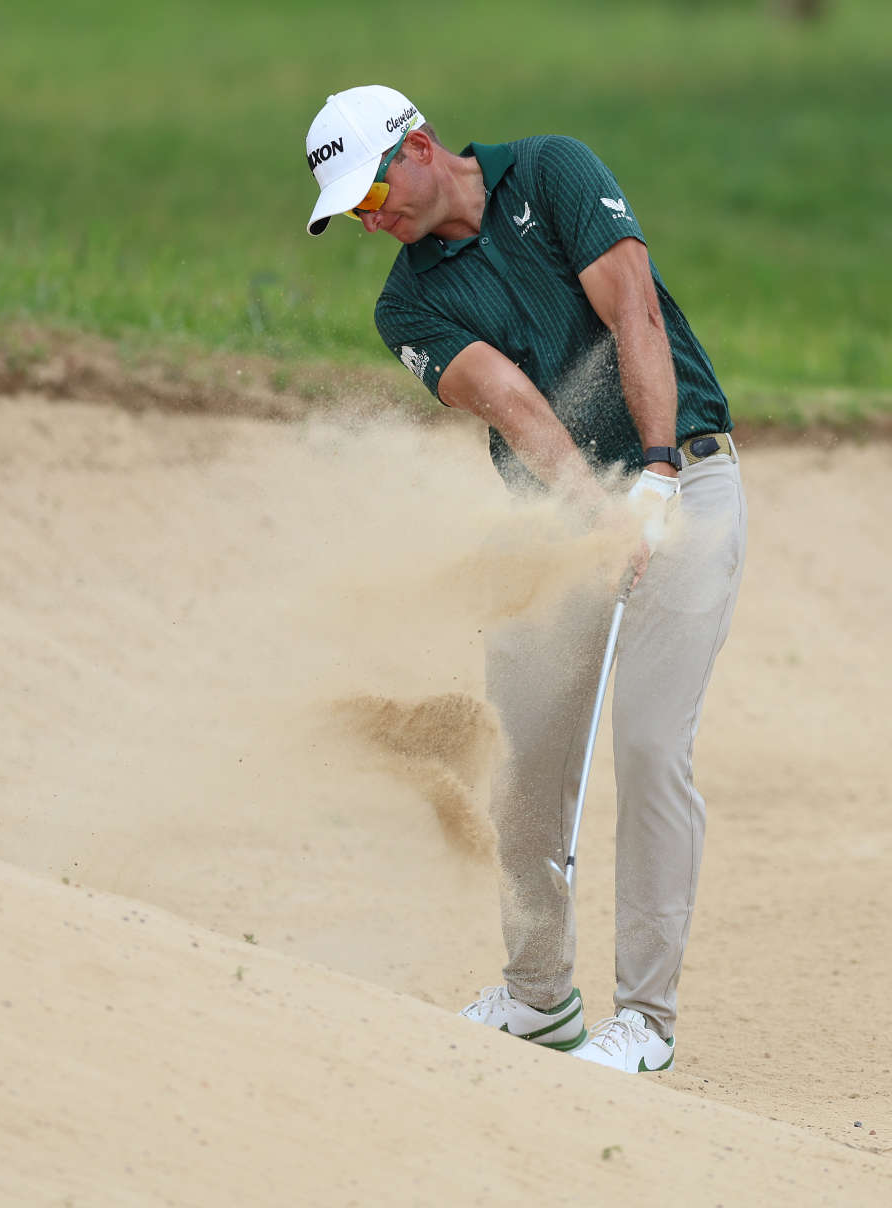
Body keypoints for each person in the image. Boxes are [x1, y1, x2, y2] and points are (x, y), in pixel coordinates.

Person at [301, 86, 747, 1074]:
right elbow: (512, 402)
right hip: (554, 520)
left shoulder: (552, 172)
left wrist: (657, 474)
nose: (369, 220)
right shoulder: (406, 304)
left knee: (649, 745)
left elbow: (634, 311)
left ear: (420, 146)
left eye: (370, 192)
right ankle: (538, 996)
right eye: (351, 212)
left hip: (690, 479)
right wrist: (599, 513)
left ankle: (646, 1021)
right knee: (528, 755)